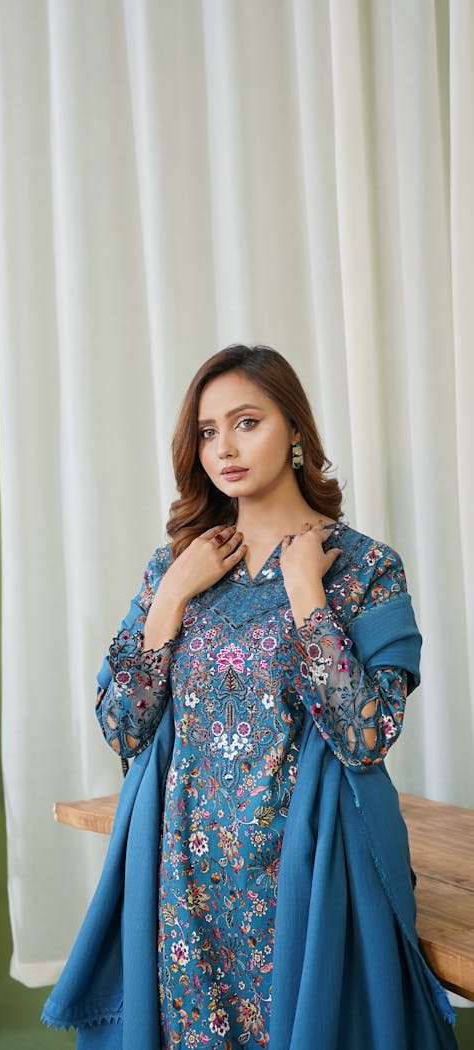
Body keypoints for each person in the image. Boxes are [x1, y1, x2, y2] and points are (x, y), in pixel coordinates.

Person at [90, 344, 455, 1048]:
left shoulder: (365, 567)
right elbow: (125, 730)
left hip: (311, 882)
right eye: (206, 431)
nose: (223, 446)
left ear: (295, 430)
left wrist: (305, 593)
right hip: (187, 884)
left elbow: (365, 738)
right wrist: (168, 601)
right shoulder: (175, 567)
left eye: (246, 421)